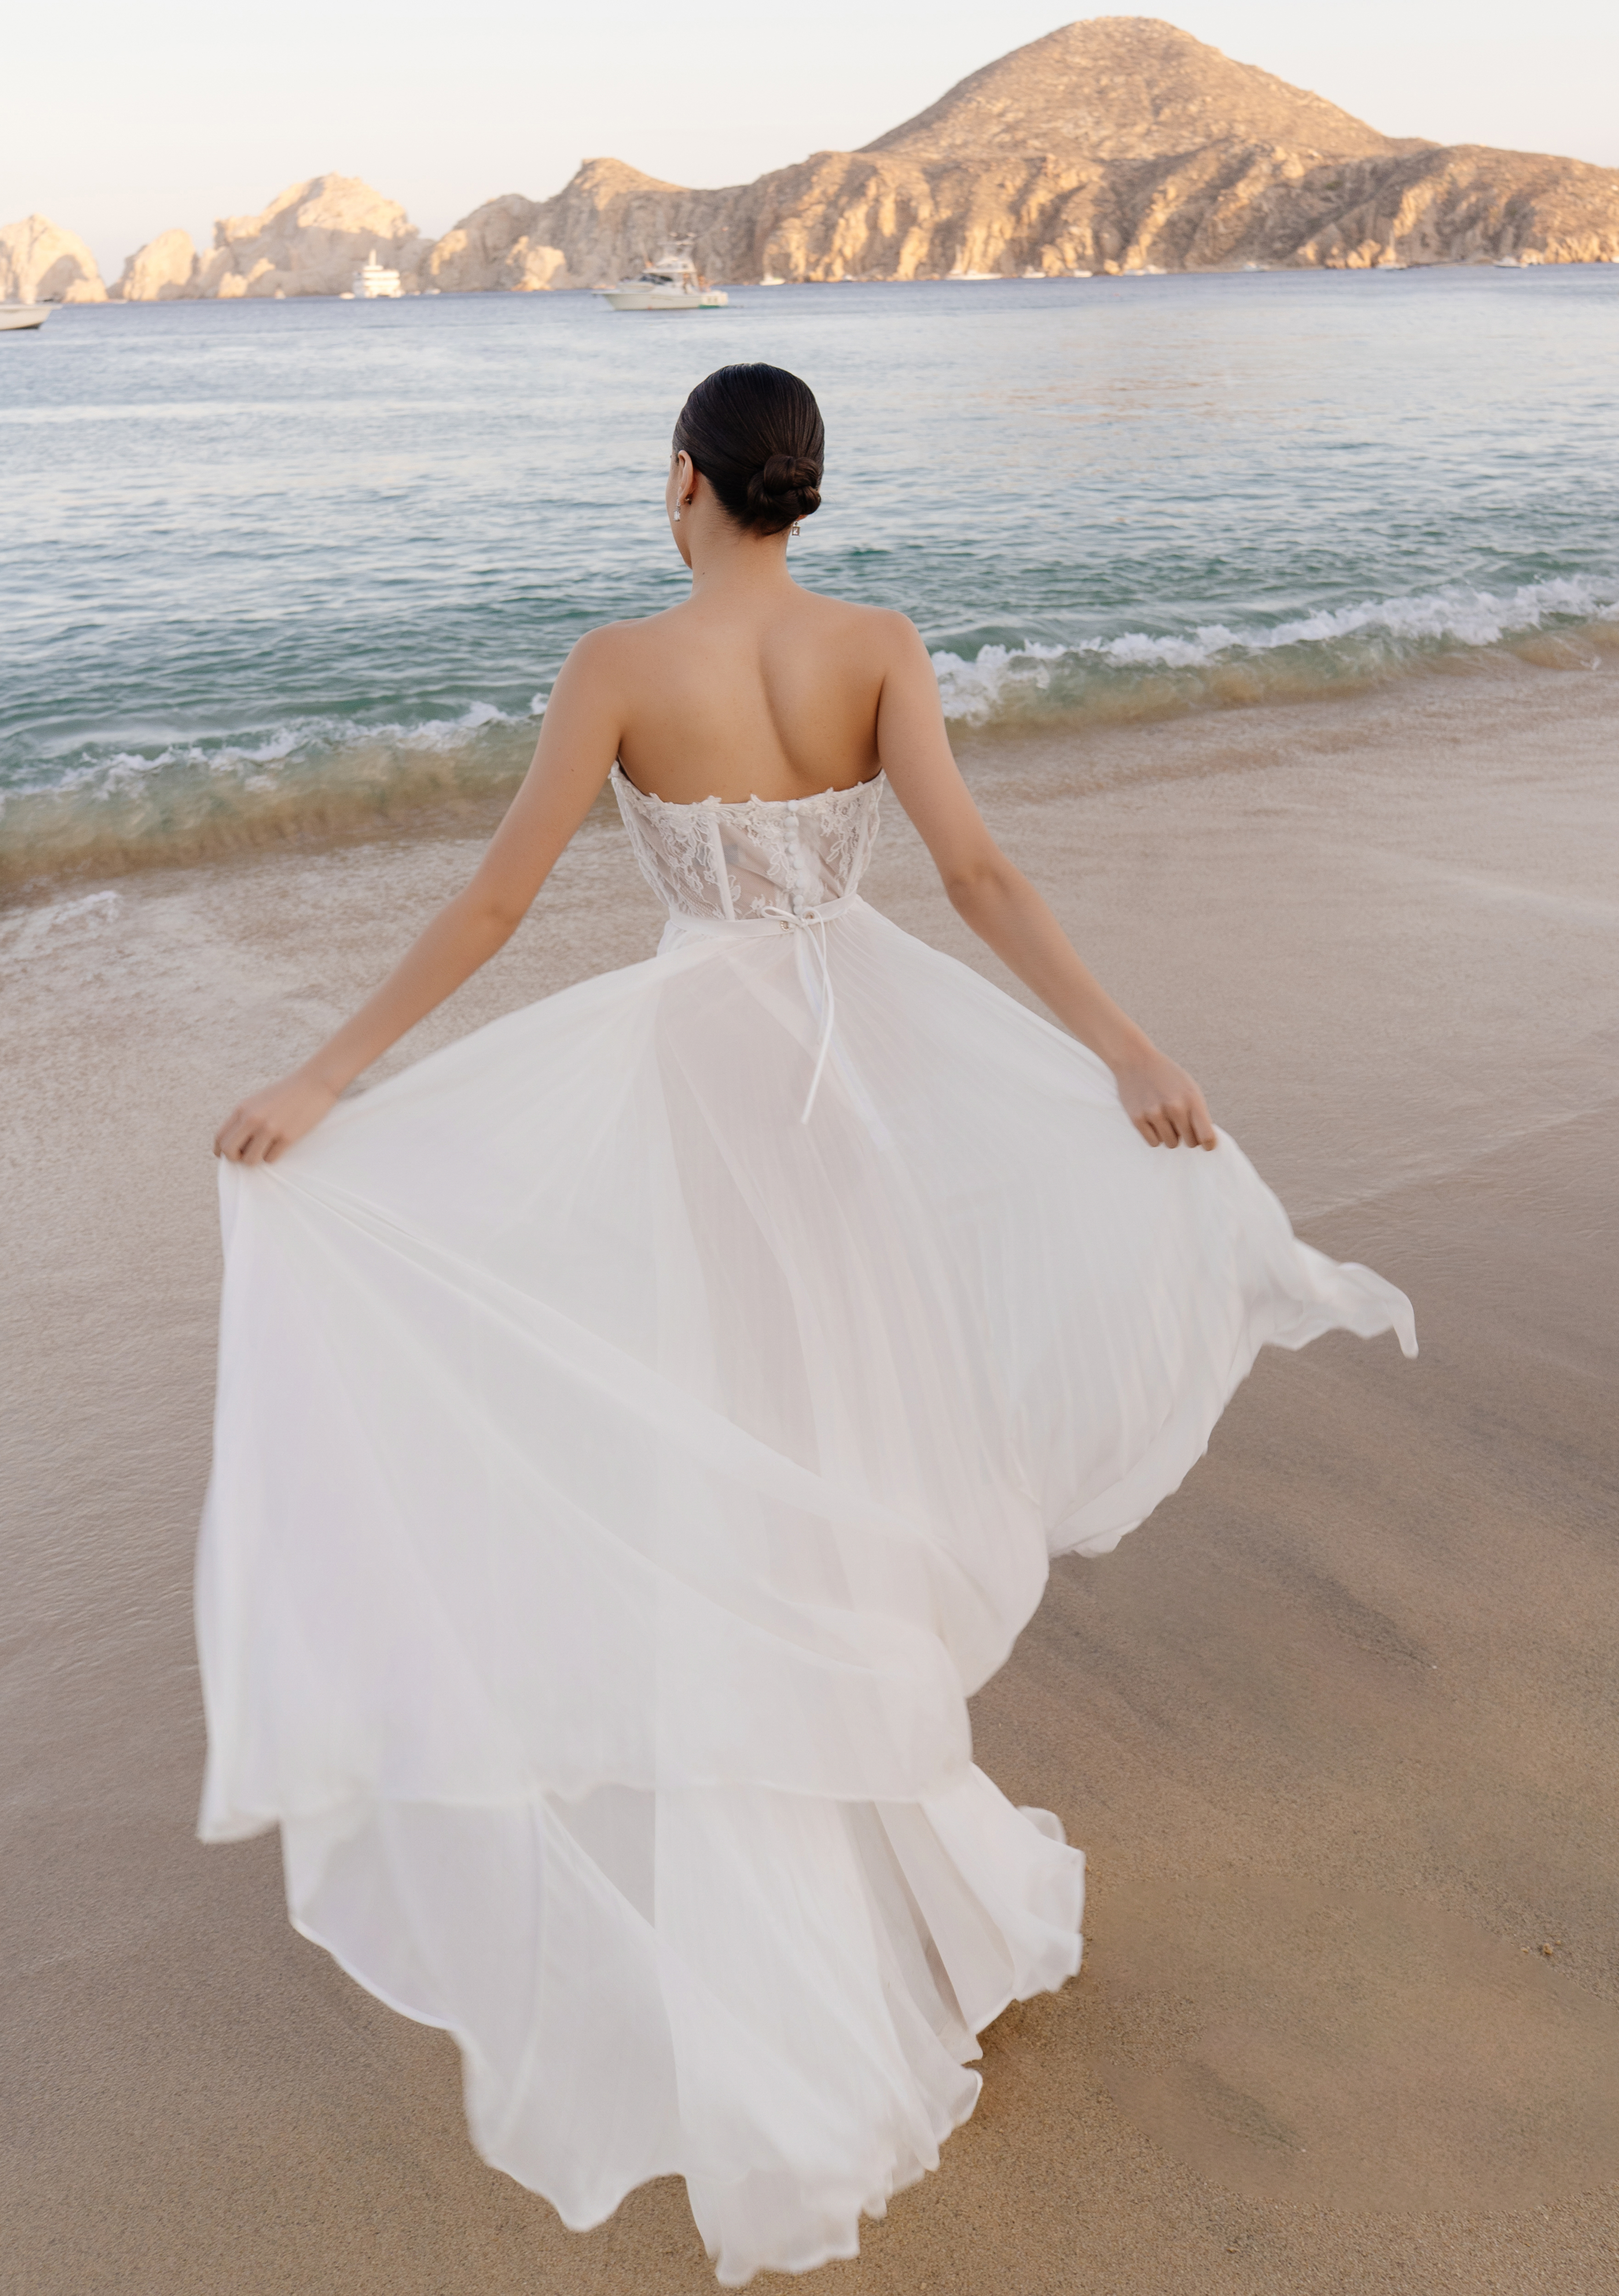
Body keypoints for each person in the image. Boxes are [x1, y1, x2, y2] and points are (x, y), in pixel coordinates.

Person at [202, 362, 1415, 2286]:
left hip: (708, 1081)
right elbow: (976, 872)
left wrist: (326, 1077)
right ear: (804, 487)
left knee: (741, 1461)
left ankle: (804, 1899)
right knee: (845, 1443)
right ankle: (892, 1861)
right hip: (845, 1090)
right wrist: (1127, 1049)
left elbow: (500, 904)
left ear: (683, 480)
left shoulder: (619, 664)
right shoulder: (876, 644)